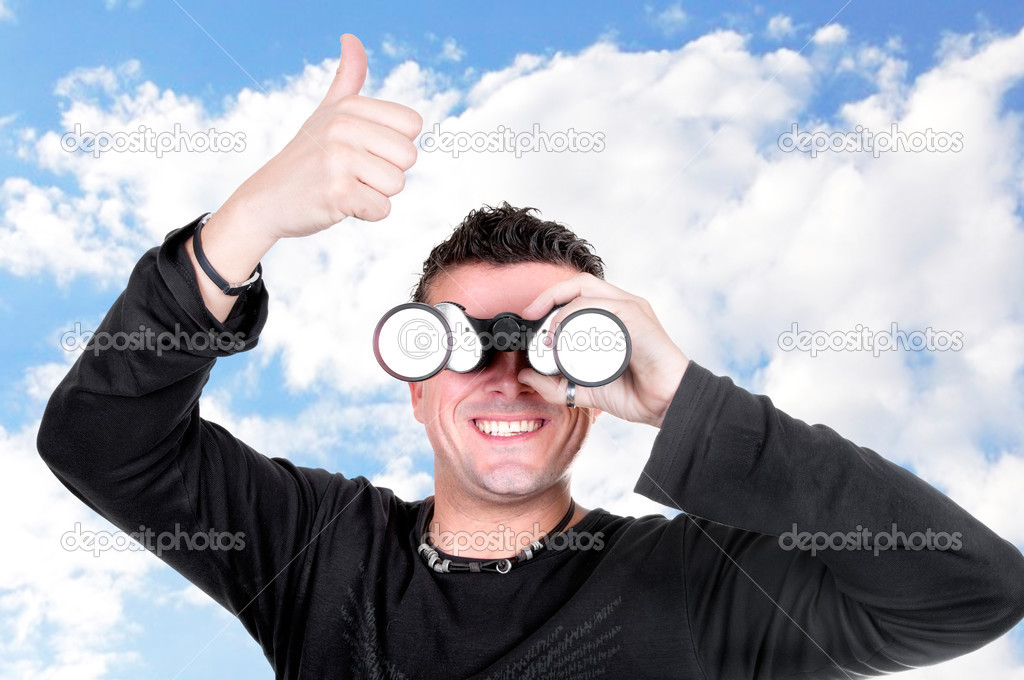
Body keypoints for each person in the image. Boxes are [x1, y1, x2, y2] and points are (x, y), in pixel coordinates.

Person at [38, 34, 1024, 679]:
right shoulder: (321, 551)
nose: (508, 372)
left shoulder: (698, 584)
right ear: (414, 383)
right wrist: (243, 222)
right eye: (457, 342)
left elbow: (968, 590)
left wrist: (685, 398)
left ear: (596, 391)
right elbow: (100, 442)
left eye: (555, 344)